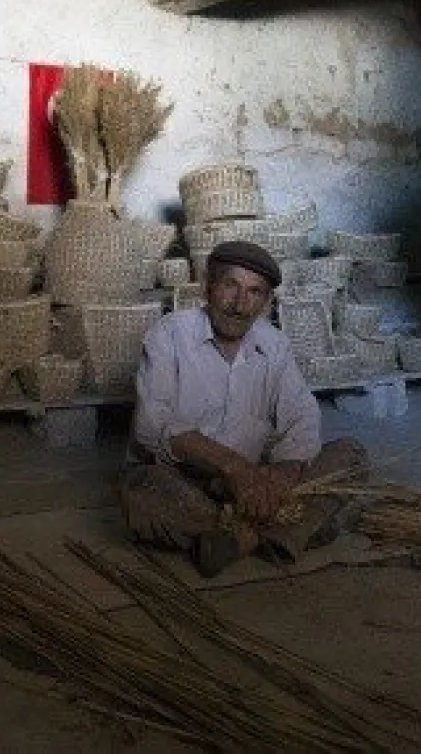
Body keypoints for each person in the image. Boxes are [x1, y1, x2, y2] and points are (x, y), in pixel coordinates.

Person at [121, 239, 368, 577]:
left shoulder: (274, 345)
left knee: (350, 454)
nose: (239, 304)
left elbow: (302, 416)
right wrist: (232, 468)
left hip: (259, 487)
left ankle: (242, 536)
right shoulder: (169, 335)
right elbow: (151, 427)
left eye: (254, 292)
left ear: (266, 302)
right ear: (209, 287)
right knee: (139, 485)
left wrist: (282, 474)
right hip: (190, 480)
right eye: (230, 286)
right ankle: (288, 529)